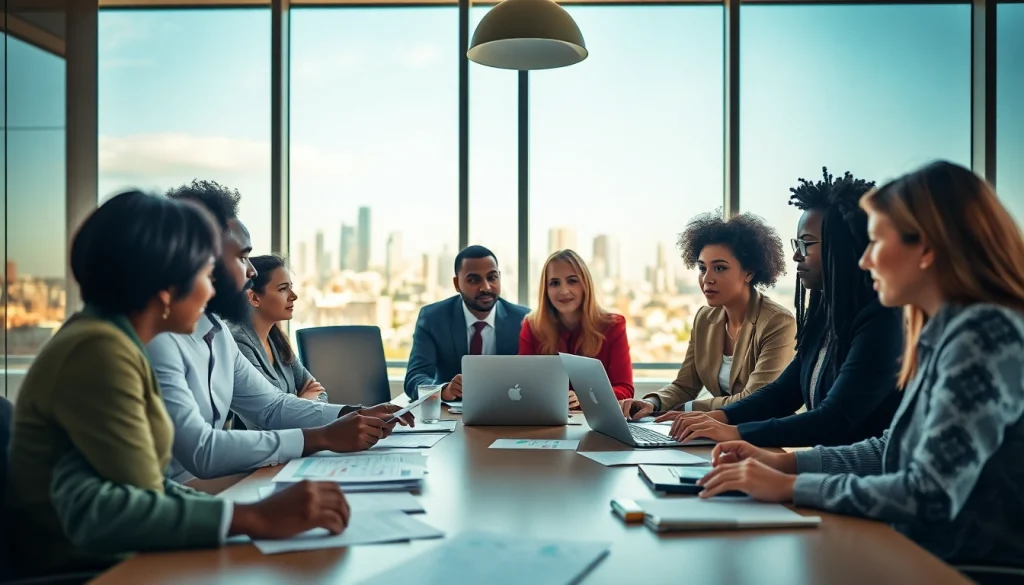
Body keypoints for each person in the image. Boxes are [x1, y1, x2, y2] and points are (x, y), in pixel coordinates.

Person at [696, 161, 1024, 567]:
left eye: (874, 242)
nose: (865, 260)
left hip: (963, 567)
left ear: (925, 248)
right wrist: (785, 463)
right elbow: (894, 448)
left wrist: (792, 486)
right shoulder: (945, 333)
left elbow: (929, 493)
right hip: (920, 551)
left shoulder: (984, 334)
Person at [6, 191, 351, 577]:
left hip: (116, 555)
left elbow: (147, 488)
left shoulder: (115, 342)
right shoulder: (99, 351)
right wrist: (252, 516)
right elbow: (138, 502)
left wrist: (252, 511)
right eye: (206, 273)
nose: (211, 289)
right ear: (168, 289)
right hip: (89, 570)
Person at [148, 180, 411, 484]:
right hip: (177, 497)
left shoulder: (216, 332)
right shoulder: (159, 340)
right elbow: (203, 451)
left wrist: (353, 414)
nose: (252, 271)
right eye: (242, 257)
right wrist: (322, 437)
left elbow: (271, 406)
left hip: (201, 488)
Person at [667, 169, 903, 447]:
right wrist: (719, 417)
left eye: (806, 244)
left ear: (841, 246)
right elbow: (783, 393)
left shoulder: (882, 321)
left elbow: (835, 419)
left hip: (862, 481)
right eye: (797, 243)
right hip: (828, 472)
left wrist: (736, 433)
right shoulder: (825, 316)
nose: (796, 254)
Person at [619, 213, 796, 420]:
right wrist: (652, 403)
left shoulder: (778, 322)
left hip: (759, 437)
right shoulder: (705, 318)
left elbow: (754, 399)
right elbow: (685, 385)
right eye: (702, 268)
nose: (707, 279)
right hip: (710, 432)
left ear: (749, 272)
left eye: (719, 268)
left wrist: (685, 409)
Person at [404, 245, 530, 401]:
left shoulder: (523, 320)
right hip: (452, 414)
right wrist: (444, 390)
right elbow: (415, 378)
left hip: (509, 410)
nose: (486, 287)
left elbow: (537, 376)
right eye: (473, 280)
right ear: (457, 284)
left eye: (492, 277)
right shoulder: (433, 318)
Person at [519, 249, 633, 406]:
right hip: (547, 419)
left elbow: (625, 388)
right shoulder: (532, 327)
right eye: (554, 283)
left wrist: (585, 397)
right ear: (546, 290)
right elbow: (523, 384)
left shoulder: (613, 326)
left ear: (585, 285)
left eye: (572, 281)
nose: (564, 291)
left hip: (594, 421)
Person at [228, 255, 327, 430]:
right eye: (283, 289)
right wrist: (304, 401)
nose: (294, 296)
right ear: (254, 298)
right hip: (260, 452)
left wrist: (300, 405)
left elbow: (318, 391)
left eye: (291, 288)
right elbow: (268, 419)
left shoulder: (276, 337)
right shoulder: (238, 342)